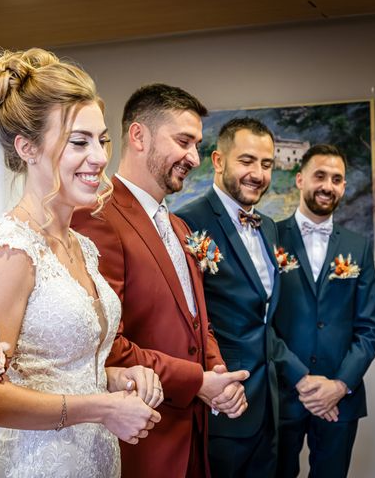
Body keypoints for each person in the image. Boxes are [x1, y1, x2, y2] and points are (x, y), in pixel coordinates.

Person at [0, 48, 163, 478]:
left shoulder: (82, 246)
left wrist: (116, 378)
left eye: (102, 140)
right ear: (27, 147)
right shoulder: (12, 253)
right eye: (79, 141)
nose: (99, 157)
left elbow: (61, 371)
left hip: (96, 461)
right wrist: (100, 407)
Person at [72, 83, 250, 478]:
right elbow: (108, 345)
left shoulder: (180, 226)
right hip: (143, 437)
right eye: (184, 141)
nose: (194, 157)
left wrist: (217, 375)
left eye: (197, 145)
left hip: (194, 434)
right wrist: (196, 381)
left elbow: (196, 321)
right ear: (139, 136)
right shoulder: (97, 217)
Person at [176, 117, 307, 478]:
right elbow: (184, 321)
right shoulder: (185, 223)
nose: (259, 174)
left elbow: (264, 319)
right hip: (224, 404)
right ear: (218, 161)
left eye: (266, 164)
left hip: (270, 403)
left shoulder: (268, 225)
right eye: (247, 161)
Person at [273, 144, 375, 478]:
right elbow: (261, 321)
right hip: (283, 393)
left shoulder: (357, 246)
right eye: (320, 175)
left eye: (337, 179)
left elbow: (370, 327)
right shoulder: (270, 236)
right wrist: (301, 379)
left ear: (344, 187)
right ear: (300, 180)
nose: (328, 185)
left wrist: (339, 385)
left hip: (340, 398)